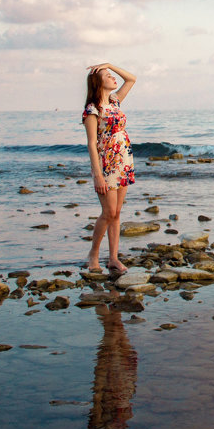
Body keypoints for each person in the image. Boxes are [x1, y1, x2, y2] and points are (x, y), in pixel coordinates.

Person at [82, 62, 137, 274]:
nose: (114, 78)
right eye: (108, 75)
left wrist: (109, 64)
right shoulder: (92, 109)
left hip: (124, 162)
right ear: (98, 82)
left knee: (117, 213)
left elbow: (131, 78)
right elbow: (91, 144)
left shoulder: (114, 102)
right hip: (106, 164)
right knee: (108, 212)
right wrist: (98, 176)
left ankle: (113, 258)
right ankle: (93, 254)